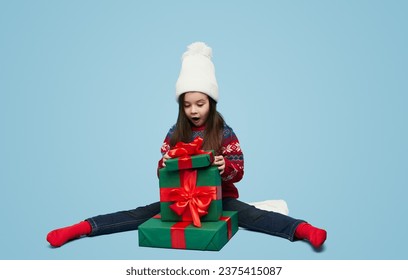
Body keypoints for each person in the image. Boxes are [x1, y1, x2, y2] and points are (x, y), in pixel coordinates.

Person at [46, 42, 327, 249]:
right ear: (181, 105)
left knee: (251, 215)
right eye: (187, 104)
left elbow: (239, 169)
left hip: (220, 200)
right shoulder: (174, 132)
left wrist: (223, 166)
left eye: (200, 104)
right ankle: (82, 228)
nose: (194, 110)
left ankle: (302, 230)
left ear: (212, 102)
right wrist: (167, 163)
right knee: (140, 214)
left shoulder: (223, 131)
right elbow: (160, 172)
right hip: (179, 201)